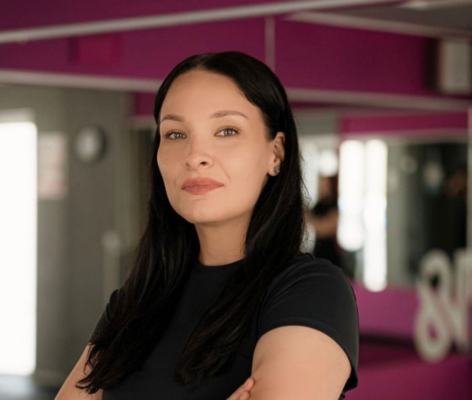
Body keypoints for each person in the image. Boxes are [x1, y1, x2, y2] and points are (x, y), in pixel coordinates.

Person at [56, 51, 359, 400]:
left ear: (276, 153)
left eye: (227, 130)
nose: (195, 155)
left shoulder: (310, 291)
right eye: (175, 134)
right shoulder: (134, 300)